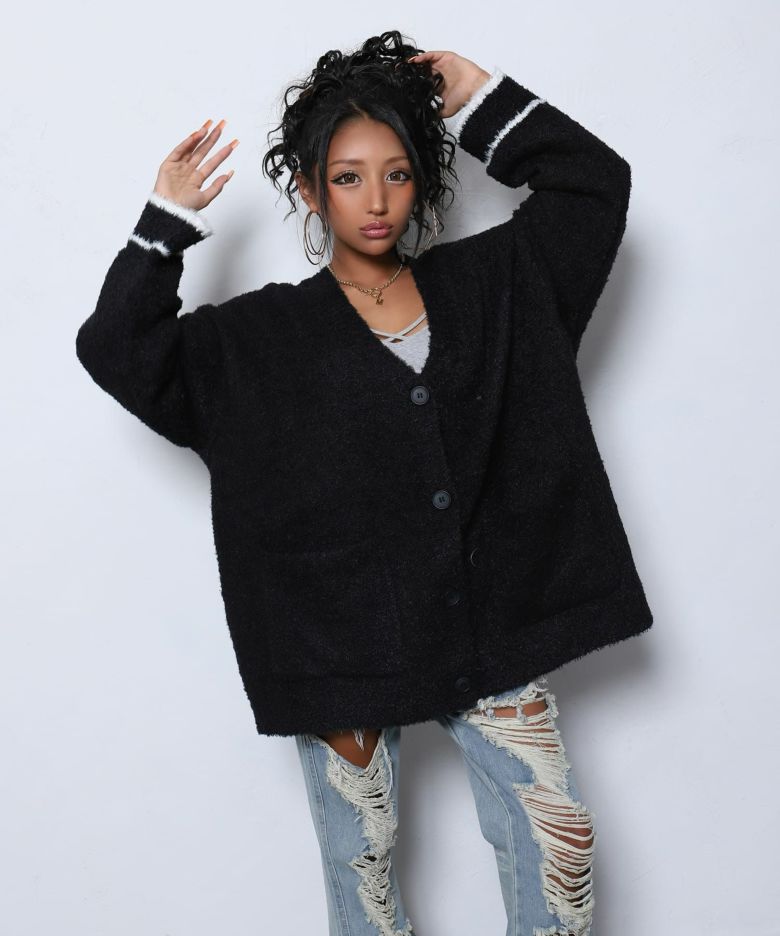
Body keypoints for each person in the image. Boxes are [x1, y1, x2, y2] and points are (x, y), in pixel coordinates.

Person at [76, 28, 653, 936]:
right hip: (339, 643)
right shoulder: (253, 343)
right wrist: (165, 221)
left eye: (396, 173)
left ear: (422, 179)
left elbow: (593, 184)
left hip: (491, 628)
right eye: (347, 177)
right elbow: (118, 349)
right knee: (365, 869)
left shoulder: (501, 283)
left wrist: (479, 96)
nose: (376, 201)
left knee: (560, 845)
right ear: (311, 190)